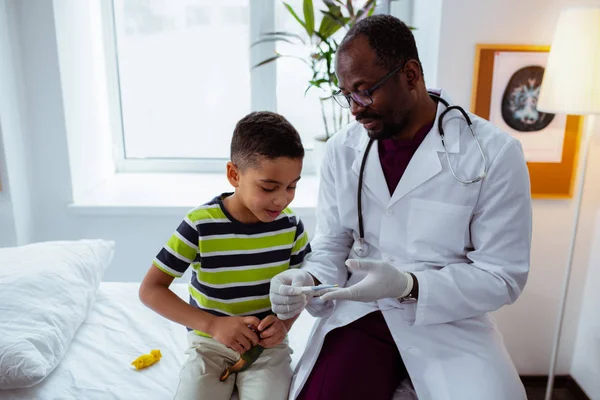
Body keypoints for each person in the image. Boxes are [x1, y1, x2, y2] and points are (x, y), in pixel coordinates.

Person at [269, 15, 532, 400]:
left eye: (363, 91)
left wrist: (410, 286)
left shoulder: (494, 153)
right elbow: (332, 244)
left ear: (410, 75)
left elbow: (502, 276)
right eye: (346, 95)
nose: (355, 110)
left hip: (448, 321)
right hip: (361, 314)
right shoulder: (343, 150)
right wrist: (306, 281)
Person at [139, 111, 311, 400]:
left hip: (266, 348)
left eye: (292, 186)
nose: (282, 199)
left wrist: (284, 324)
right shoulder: (200, 225)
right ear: (234, 175)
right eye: (269, 187)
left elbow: (302, 289)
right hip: (209, 344)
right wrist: (213, 325)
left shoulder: (291, 227)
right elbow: (150, 290)